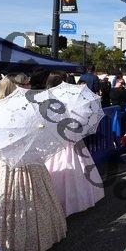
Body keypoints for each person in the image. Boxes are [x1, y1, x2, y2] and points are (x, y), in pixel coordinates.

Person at [0, 75, 67, 251]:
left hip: (5, 162)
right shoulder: (16, 109)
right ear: (15, 87)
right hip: (16, 162)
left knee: (9, 201)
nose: (28, 86)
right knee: (23, 200)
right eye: (24, 84)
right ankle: (26, 244)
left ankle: (12, 246)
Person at [44, 75, 105, 216]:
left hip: (56, 141)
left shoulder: (47, 99)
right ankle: (81, 200)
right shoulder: (71, 98)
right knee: (79, 168)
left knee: (59, 168)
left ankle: (59, 202)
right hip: (73, 138)